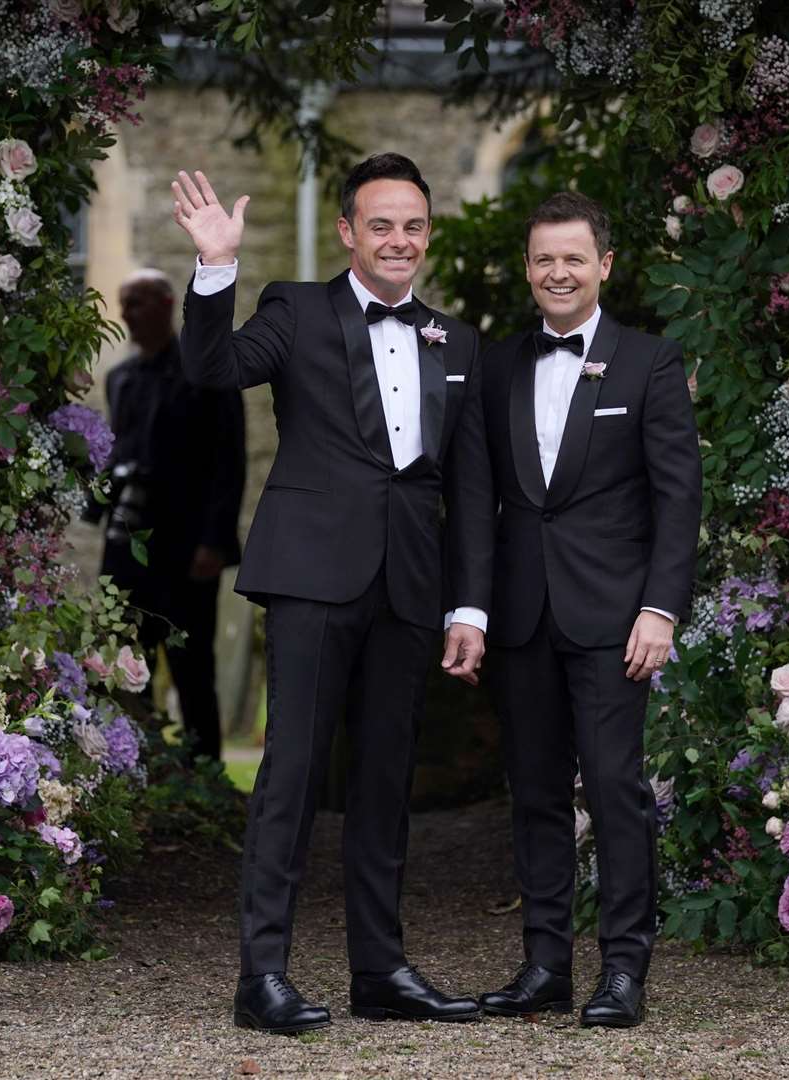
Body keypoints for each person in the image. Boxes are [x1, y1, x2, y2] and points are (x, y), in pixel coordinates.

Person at [171, 155, 492, 1034]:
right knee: (294, 773)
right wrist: (214, 270)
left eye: (414, 225)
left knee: (387, 782)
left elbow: (466, 485)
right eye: (381, 223)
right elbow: (211, 369)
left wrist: (469, 606)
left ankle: (380, 969)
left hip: (410, 586)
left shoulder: (455, 340)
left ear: (428, 235)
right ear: (348, 231)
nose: (399, 239)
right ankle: (261, 977)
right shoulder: (296, 309)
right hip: (312, 573)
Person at [473, 192, 701, 1029]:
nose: (557, 272)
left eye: (574, 257)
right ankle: (544, 966)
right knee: (533, 791)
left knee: (614, 789)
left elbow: (679, 501)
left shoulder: (650, 362)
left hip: (617, 619)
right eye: (543, 259)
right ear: (528, 271)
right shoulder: (497, 367)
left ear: (605, 264)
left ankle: (625, 970)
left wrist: (661, 610)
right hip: (523, 613)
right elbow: (479, 497)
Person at [93, 269, 245, 763]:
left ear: (164, 304)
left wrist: (215, 542)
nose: (127, 315)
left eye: (136, 303)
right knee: (121, 662)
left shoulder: (206, 372)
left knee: (190, 665)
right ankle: (135, 768)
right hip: (127, 544)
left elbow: (229, 461)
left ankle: (206, 776)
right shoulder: (121, 380)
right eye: (123, 304)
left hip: (187, 545)